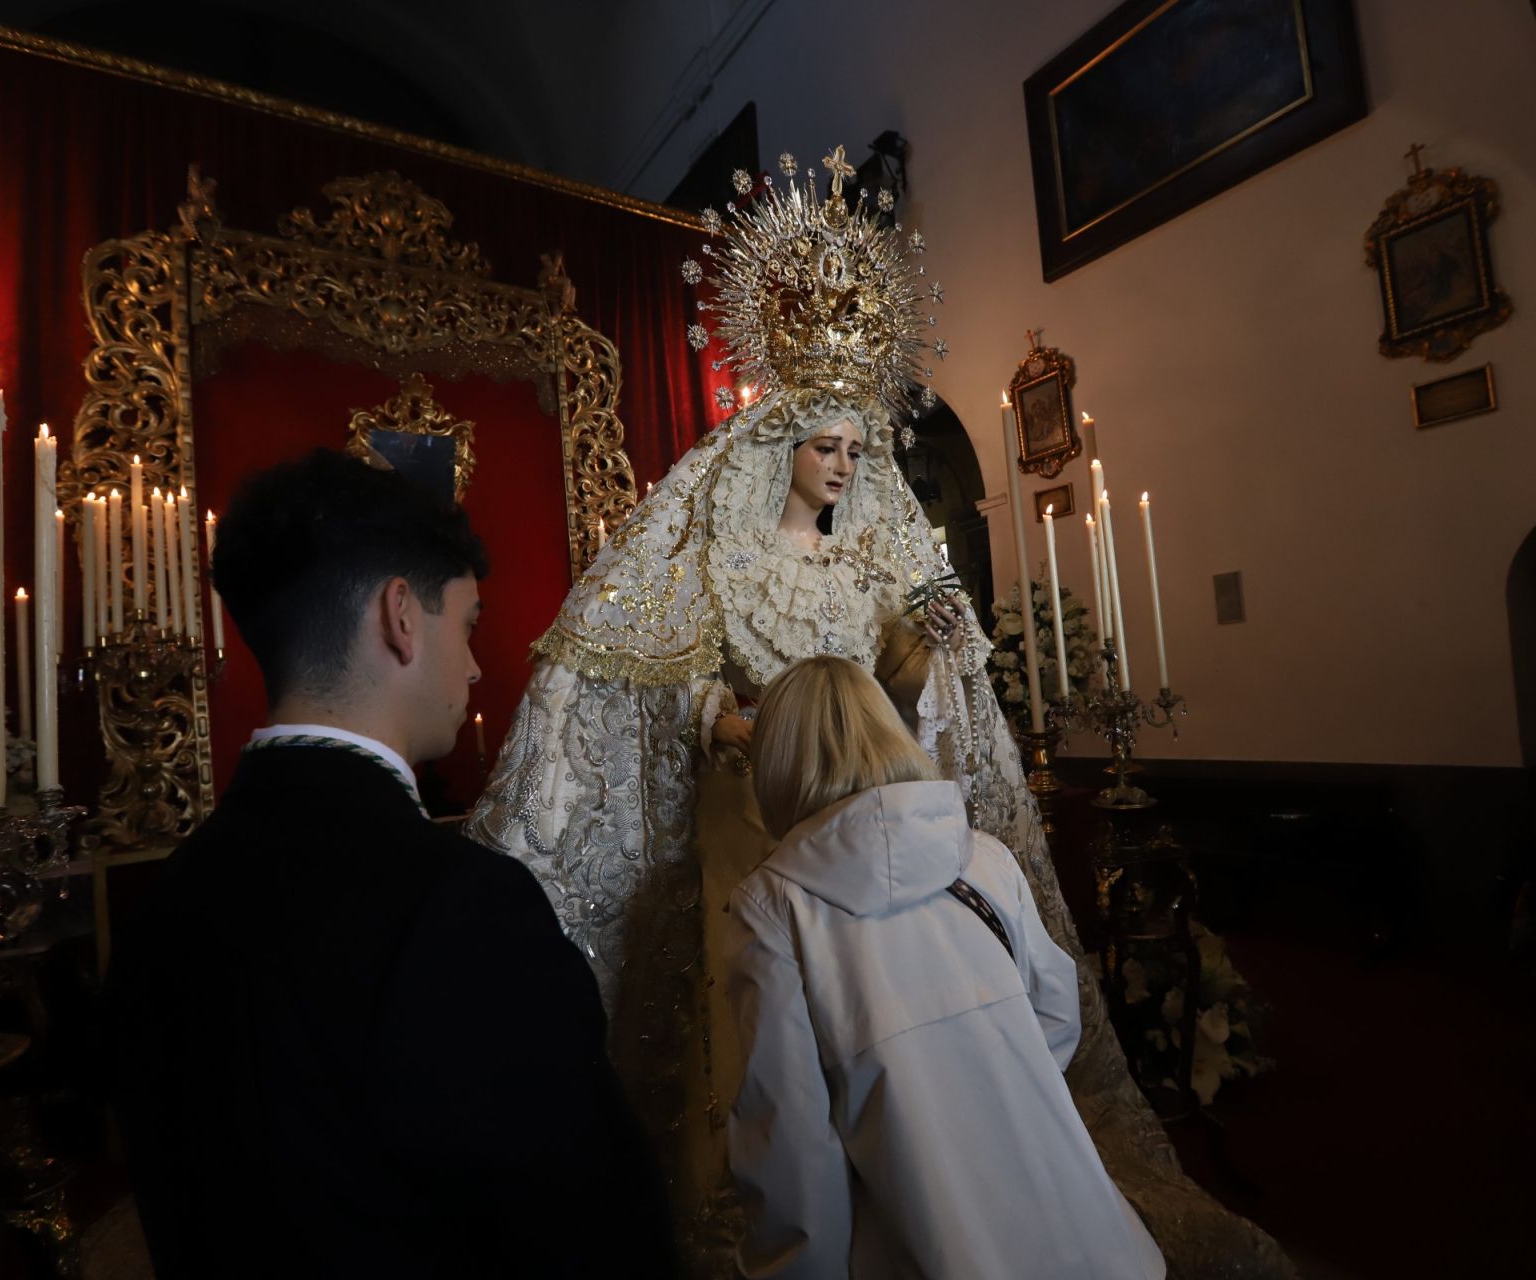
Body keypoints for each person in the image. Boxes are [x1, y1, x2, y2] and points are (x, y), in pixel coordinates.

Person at [469, 146, 1290, 1277]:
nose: (846, 465)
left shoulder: (872, 567)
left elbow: (893, 700)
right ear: (781, 445)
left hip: (871, 801)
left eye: (858, 448)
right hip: (760, 809)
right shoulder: (726, 554)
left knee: (897, 1006)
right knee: (767, 1028)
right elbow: (682, 671)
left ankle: (923, 1164)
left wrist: (926, 650)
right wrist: (723, 721)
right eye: (827, 445)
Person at [106, 450, 674, 1278]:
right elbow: (595, 1231)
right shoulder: (463, 908)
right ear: (401, 615)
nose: (474, 666)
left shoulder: (165, 900)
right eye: (468, 624)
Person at [726, 656, 1167, 1279]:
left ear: (777, 763)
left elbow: (790, 1139)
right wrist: (981, 1089)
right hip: (1082, 1228)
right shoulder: (984, 859)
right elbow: (1057, 1014)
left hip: (922, 1238)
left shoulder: (773, 909)